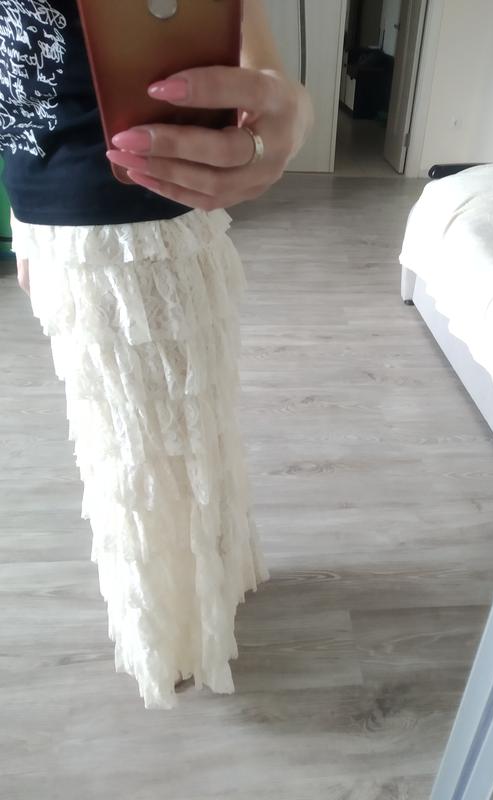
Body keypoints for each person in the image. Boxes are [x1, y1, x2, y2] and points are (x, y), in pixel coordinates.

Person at [2, 0, 314, 709]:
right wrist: (22, 211)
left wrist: (279, 94)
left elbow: (239, 25)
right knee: (134, 449)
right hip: (54, 207)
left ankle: (189, 624)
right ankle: (179, 625)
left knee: (172, 444)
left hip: (139, 218)